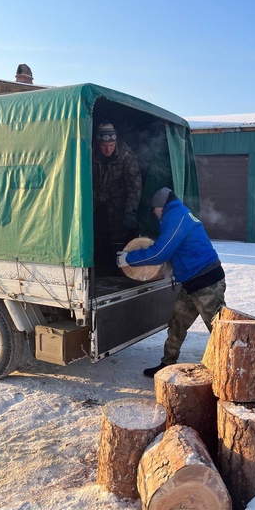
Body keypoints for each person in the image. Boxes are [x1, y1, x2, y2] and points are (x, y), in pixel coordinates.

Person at [116, 187, 226, 377]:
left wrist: (129, 259)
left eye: (154, 208)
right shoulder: (177, 214)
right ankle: (167, 364)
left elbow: (161, 251)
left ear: (161, 206)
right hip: (192, 282)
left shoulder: (177, 216)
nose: (153, 212)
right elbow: (176, 251)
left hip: (207, 283)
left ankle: (230, 371)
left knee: (220, 330)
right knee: (176, 324)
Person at [93, 122, 142, 271]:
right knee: (88, 226)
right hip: (94, 194)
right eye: (104, 145)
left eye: (111, 145)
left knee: (118, 230)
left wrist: (130, 211)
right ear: (98, 143)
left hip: (117, 196)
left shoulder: (126, 156)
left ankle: (116, 267)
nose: (108, 149)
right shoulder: (88, 151)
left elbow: (134, 186)